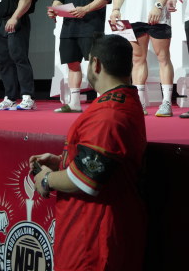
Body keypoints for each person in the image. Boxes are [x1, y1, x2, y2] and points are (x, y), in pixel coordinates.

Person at [29, 33, 147, 271]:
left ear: (96, 64)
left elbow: (87, 179)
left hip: (91, 240)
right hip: (91, 231)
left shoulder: (108, 114)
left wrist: (46, 179)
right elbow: (100, 162)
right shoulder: (118, 102)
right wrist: (63, 162)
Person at [48, 0, 114, 113]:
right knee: (72, 63)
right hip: (69, 27)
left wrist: (85, 9)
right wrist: (54, 9)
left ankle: (101, 101)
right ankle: (74, 103)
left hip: (91, 25)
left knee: (96, 64)